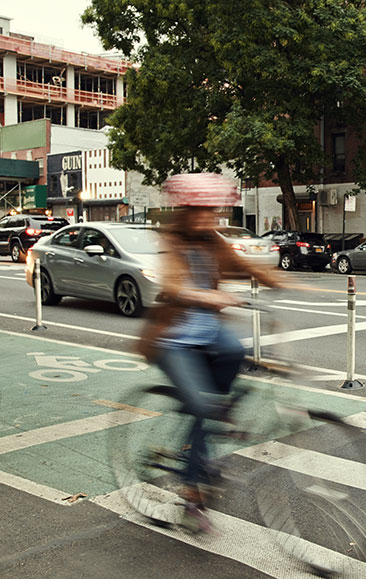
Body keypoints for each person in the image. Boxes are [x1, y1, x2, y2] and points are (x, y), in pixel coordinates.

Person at [137, 173, 283, 528]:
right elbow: (172, 284)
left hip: (209, 336)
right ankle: (191, 491)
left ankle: (201, 437)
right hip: (173, 341)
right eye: (199, 211)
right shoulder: (171, 242)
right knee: (204, 408)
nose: (207, 217)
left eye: (212, 211)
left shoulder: (212, 241)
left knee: (234, 353)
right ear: (184, 211)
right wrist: (206, 295)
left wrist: (287, 283)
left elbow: (246, 267)